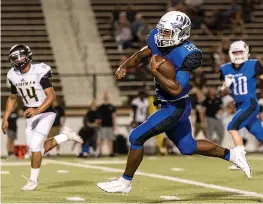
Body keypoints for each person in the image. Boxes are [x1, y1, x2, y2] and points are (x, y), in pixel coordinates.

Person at [97, 11, 251, 194]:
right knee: (188, 147)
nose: (161, 36)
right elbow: (140, 55)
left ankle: (124, 182)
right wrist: (124, 66)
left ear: (181, 33)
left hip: (174, 106)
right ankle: (233, 154)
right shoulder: (157, 39)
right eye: (161, 31)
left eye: (167, 33)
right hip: (173, 105)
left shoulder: (188, 55)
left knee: (136, 137)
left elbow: (177, 88)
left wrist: (156, 73)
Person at [1, 44, 83, 191]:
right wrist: (5, 118)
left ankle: (33, 180)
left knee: (35, 146)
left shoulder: (39, 70)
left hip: (46, 111)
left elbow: (51, 96)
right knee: (36, 149)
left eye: (21, 56)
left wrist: (37, 110)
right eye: (15, 57)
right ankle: (64, 137)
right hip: (30, 114)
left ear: (28, 55)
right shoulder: (13, 75)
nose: (19, 60)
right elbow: (12, 98)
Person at [219, 40, 263, 170]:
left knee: (233, 127)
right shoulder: (225, 69)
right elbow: (223, 92)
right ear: (230, 53)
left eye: (240, 52)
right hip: (239, 105)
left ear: (246, 52)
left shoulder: (253, 64)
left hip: (250, 103)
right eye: (235, 52)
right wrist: (224, 87)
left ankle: (240, 159)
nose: (238, 55)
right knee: (260, 135)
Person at [96, 92, 116, 157]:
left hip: (110, 125)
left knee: (110, 139)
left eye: (107, 96)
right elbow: (98, 118)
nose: (106, 98)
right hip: (103, 126)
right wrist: (98, 125)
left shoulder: (112, 106)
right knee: (101, 139)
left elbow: (113, 116)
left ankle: (111, 152)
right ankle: (100, 152)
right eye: (105, 97)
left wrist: (114, 125)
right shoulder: (100, 107)